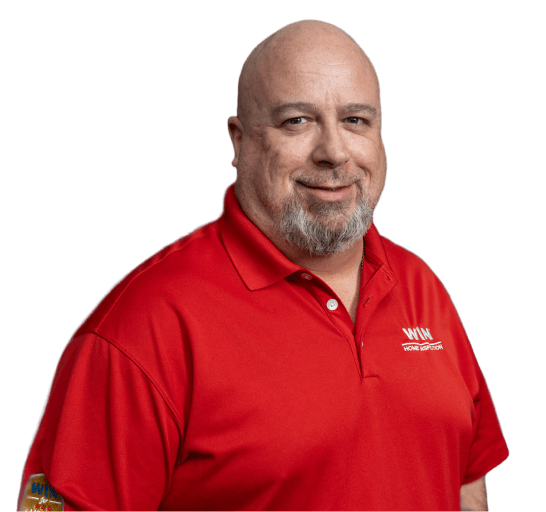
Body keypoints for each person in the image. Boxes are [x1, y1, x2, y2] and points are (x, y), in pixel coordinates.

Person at [17, 19, 508, 512]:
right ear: (238, 141)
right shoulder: (143, 329)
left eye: (356, 120)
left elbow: (465, 476)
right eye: (297, 121)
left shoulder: (422, 287)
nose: (334, 152)